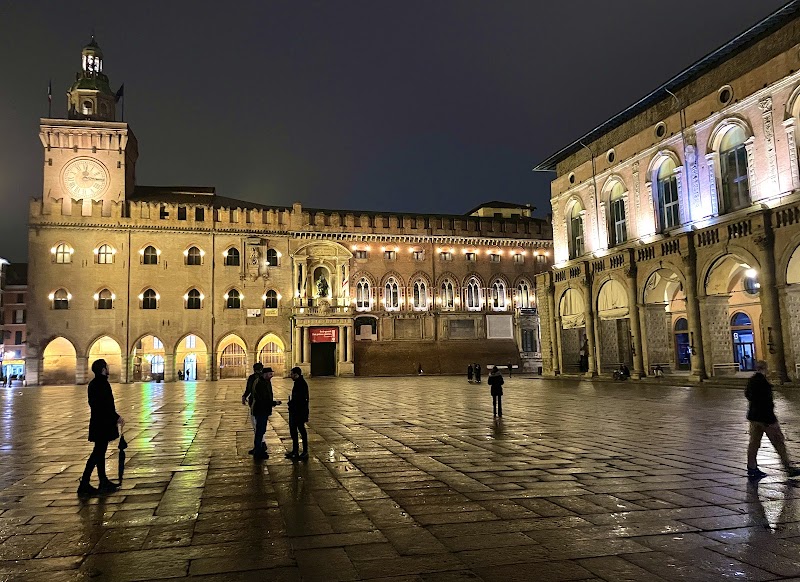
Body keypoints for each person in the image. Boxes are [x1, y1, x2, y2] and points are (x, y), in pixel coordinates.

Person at [745, 360, 800, 479]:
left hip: (754, 418)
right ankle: (788, 467)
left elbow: (747, 395)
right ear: (765, 368)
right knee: (779, 442)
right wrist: (771, 421)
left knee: (754, 443)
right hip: (766, 419)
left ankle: (751, 467)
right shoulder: (763, 383)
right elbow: (766, 403)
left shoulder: (752, 380)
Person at [78, 359, 124, 496]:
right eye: (107, 366)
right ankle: (85, 483)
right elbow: (106, 405)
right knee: (97, 453)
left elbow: (97, 404)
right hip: (102, 424)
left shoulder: (94, 384)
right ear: (103, 369)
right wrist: (116, 417)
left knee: (100, 452)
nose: (109, 368)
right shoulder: (102, 384)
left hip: (98, 422)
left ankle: (102, 481)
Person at [252, 367, 281, 460]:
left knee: (261, 430)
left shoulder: (266, 382)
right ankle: (258, 451)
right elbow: (263, 399)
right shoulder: (260, 383)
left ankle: (259, 449)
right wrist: (274, 403)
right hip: (260, 410)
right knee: (260, 431)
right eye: (270, 374)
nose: (271, 376)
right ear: (264, 374)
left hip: (263, 409)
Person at [285, 367, 309, 460]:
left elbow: (301, 399)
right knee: (294, 431)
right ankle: (296, 451)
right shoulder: (299, 382)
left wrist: (292, 403)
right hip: (296, 411)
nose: (290, 376)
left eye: (292, 374)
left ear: (296, 374)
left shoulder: (301, 384)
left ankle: (304, 451)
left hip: (298, 412)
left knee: (301, 431)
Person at [242, 363, 265, 454]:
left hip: (255, 404)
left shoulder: (253, 378)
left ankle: (260, 445)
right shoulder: (264, 378)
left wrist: (244, 396)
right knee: (260, 426)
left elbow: (249, 389)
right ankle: (261, 444)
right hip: (261, 404)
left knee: (256, 425)